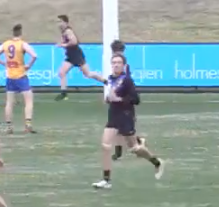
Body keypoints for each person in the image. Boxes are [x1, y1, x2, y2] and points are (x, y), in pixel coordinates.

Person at [89, 54, 165, 189]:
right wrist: (108, 98)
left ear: (123, 65)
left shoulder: (127, 80)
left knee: (134, 149)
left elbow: (136, 99)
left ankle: (157, 162)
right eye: (113, 62)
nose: (116, 65)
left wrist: (120, 100)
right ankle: (106, 180)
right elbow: (110, 90)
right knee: (105, 146)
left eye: (118, 62)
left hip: (126, 116)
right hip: (113, 116)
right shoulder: (112, 79)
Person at [0, 24, 37, 134]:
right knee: (29, 100)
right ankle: (28, 124)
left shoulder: (6, 44)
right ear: (21, 33)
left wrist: (4, 63)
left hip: (10, 77)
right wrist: (29, 65)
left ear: (13, 33)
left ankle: (9, 127)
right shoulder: (22, 44)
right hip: (21, 75)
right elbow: (34, 56)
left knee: (9, 102)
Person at [108, 40, 146, 161]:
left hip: (125, 98)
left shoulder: (123, 64)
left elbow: (126, 80)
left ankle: (139, 143)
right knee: (118, 129)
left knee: (126, 131)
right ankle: (118, 152)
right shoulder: (117, 62)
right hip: (118, 98)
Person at [55, 15, 91, 101]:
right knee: (61, 73)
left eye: (60, 21)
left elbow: (74, 42)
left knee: (88, 74)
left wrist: (63, 45)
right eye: (57, 22)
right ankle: (64, 94)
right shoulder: (63, 32)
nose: (58, 24)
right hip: (70, 56)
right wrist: (61, 43)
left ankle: (104, 81)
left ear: (65, 22)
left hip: (76, 55)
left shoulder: (68, 31)